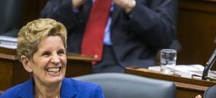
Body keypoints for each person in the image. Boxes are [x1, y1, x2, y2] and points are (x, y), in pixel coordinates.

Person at [40, 0, 174, 73]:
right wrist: (73, 3)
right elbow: (44, 28)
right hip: (73, 59)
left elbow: (165, 36)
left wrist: (130, 6)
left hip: (124, 64)